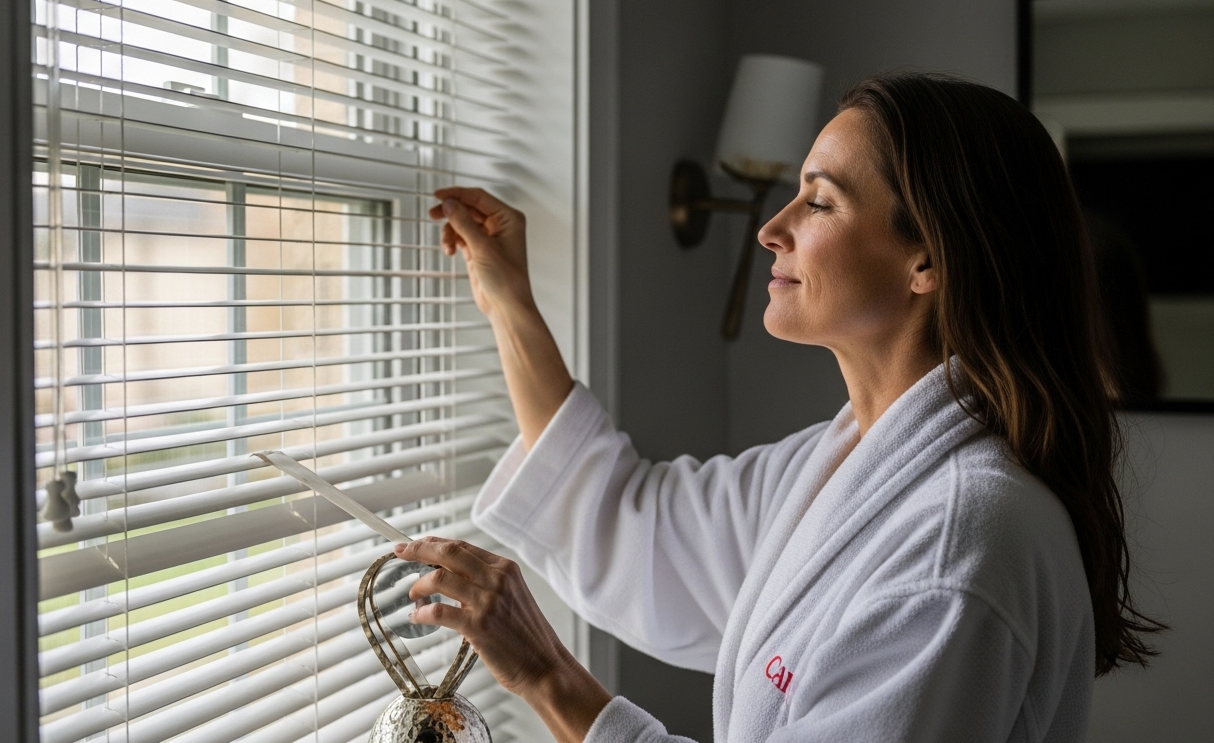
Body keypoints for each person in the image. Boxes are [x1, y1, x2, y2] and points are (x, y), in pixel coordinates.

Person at [392, 72, 1162, 742]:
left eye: (819, 202)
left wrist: (546, 674)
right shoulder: (849, 466)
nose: (770, 230)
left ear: (927, 258)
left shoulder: (953, 550)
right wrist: (508, 306)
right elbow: (634, 524)